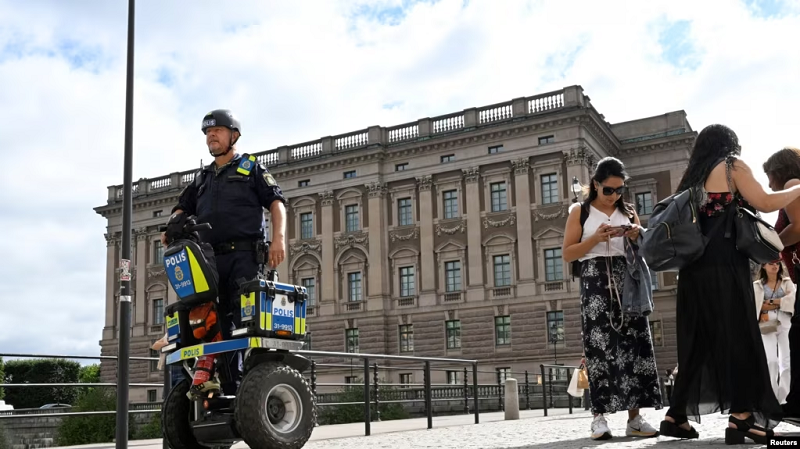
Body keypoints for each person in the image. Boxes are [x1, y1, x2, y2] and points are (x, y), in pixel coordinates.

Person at [659, 125, 800, 445]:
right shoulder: (730, 166)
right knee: (739, 338)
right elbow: (764, 202)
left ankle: (675, 416)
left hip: (692, 273)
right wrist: (797, 189)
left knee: (697, 344)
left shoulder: (692, 179)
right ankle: (742, 418)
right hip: (724, 268)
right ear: (729, 145)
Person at [162, 109, 287, 396]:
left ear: (234, 135)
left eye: (216, 131)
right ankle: (210, 381)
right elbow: (182, 206)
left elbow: (276, 203)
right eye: (207, 133)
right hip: (208, 260)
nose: (211, 136)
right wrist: (174, 223)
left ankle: (241, 387)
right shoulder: (203, 178)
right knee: (206, 320)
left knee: (240, 323)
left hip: (244, 258)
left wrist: (278, 239)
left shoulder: (251, 168)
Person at [562, 156, 662, 441]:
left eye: (619, 190)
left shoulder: (628, 211)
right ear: (595, 184)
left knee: (636, 345)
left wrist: (634, 235)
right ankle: (599, 418)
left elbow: (642, 249)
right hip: (595, 280)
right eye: (608, 190)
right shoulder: (579, 212)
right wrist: (596, 238)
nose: (614, 195)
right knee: (599, 348)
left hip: (628, 278)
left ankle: (635, 418)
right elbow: (568, 253)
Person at [763, 147, 800, 424]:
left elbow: (799, 226)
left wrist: (770, 246)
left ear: (780, 171)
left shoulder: (793, 184)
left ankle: (796, 405)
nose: (769, 185)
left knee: (796, 336)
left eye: (769, 177)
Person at [753, 260, 795, 404]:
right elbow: (757, 305)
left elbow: (793, 300)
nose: (775, 266)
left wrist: (769, 303)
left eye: (777, 263)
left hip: (785, 319)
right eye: (771, 263)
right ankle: (771, 396)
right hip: (766, 321)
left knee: (786, 361)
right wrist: (780, 301)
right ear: (763, 266)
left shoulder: (787, 282)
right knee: (771, 360)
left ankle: (784, 398)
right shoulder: (757, 285)